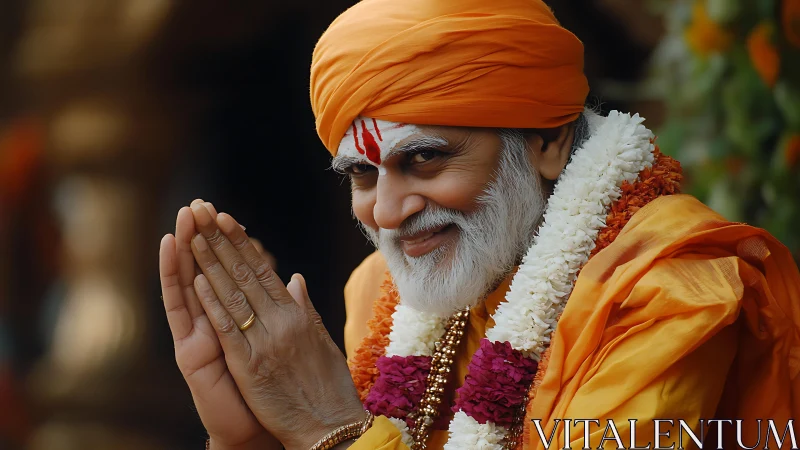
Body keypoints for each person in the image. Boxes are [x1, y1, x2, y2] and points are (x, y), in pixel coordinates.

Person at [158, 0, 800, 449]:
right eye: (362, 174)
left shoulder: (670, 292)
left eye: (425, 158)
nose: (386, 211)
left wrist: (330, 427)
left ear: (546, 143)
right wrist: (251, 439)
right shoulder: (379, 292)